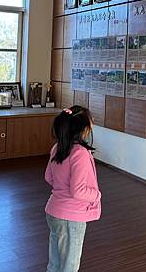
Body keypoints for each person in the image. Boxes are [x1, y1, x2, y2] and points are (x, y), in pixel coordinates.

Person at [44, 106, 101, 272]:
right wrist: (96, 195)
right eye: (91, 120)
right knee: (70, 265)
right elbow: (79, 191)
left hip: (54, 211)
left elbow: (49, 177)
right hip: (71, 217)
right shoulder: (80, 153)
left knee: (55, 262)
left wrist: (61, 187)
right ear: (83, 128)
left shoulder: (58, 148)